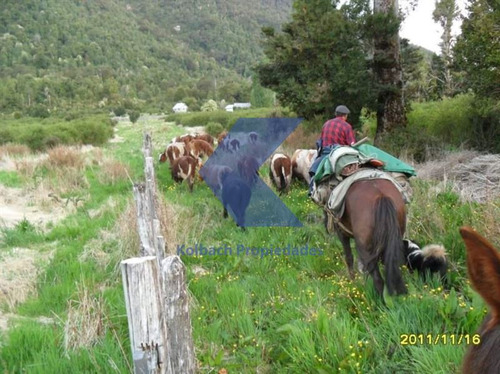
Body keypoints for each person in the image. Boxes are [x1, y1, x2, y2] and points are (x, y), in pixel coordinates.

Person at [308, 105, 356, 194]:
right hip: (340, 153)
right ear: (345, 116)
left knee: (314, 170)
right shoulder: (347, 126)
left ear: (336, 114)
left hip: (325, 153)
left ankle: (312, 190)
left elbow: (321, 141)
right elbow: (352, 144)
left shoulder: (326, 124)